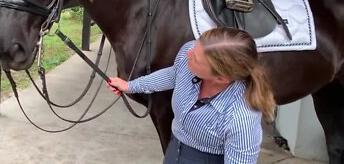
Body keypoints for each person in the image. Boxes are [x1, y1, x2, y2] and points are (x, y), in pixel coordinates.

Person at [107, 27, 276, 164]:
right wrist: (131, 86)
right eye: (195, 47)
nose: (189, 53)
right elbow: (174, 74)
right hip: (174, 149)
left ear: (221, 78)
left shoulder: (241, 119)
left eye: (195, 58)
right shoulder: (190, 52)